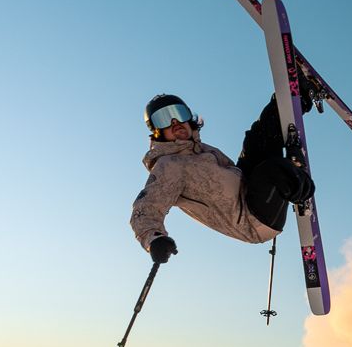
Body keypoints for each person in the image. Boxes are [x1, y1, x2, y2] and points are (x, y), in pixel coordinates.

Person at [130, 93, 313, 264]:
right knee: (271, 169)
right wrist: (154, 239)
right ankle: (299, 184)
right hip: (253, 221)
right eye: (164, 119)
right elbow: (147, 207)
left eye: (179, 113)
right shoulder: (168, 166)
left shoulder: (204, 150)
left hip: (249, 190)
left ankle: (297, 94)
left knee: (256, 139)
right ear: (157, 131)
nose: (175, 122)